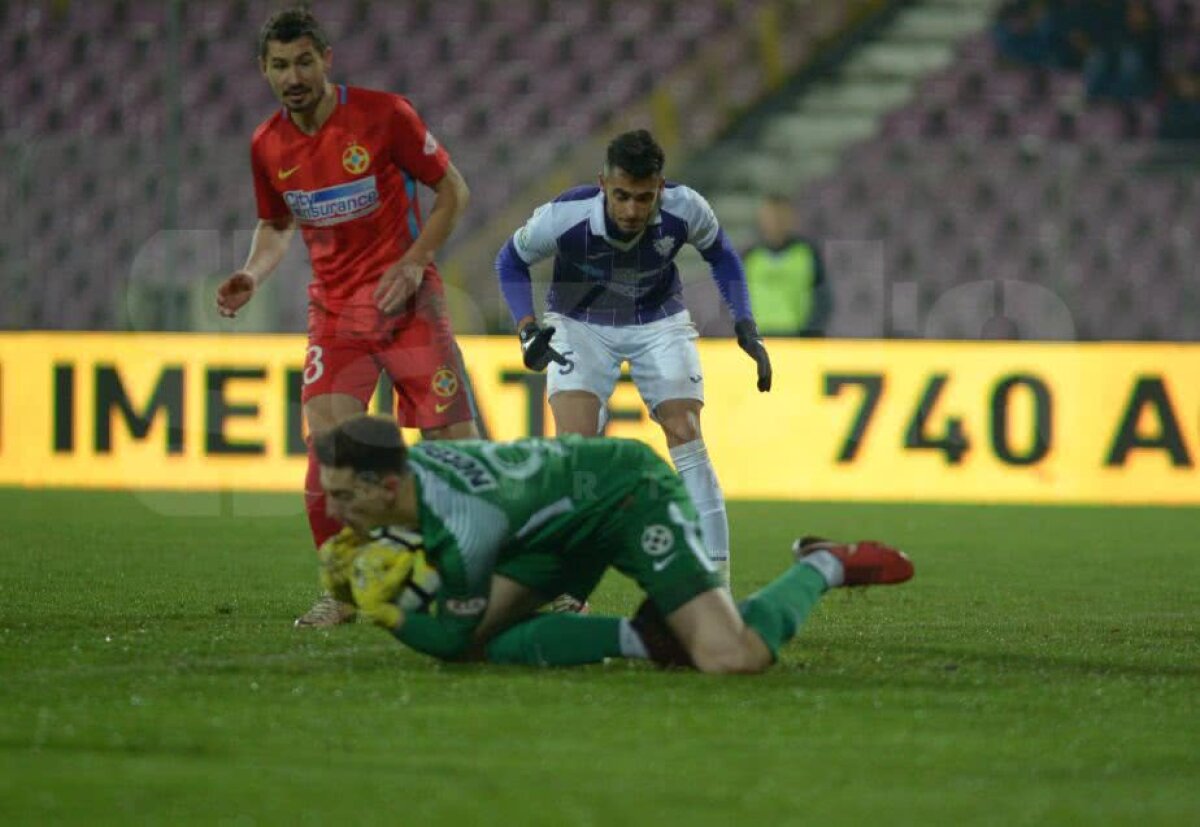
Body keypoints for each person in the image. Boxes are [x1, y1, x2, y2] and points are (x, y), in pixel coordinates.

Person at [215, 7, 478, 628]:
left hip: (408, 304)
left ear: (327, 60)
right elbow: (278, 224)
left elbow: (454, 193)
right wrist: (252, 273)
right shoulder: (267, 145)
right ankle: (343, 589)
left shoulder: (387, 115)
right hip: (335, 316)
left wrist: (415, 262)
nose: (293, 75)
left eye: (304, 60)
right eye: (280, 65)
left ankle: (477, 574)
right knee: (328, 455)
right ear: (264, 71)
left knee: (453, 451)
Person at [314, 415, 914, 673]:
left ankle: (824, 564)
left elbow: (442, 637)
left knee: (733, 659)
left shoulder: (466, 522)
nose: (335, 512)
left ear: (387, 484)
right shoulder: (415, 471)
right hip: (552, 525)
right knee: (482, 645)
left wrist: (385, 608)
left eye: (342, 497)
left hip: (627, 494)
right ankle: (647, 639)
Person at [493, 129, 772, 587]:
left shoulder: (686, 207)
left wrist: (745, 322)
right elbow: (510, 260)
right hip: (578, 323)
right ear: (602, 184)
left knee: (686, 432)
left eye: (643, 198)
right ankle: (569, 585)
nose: (631, 210)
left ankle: (716, 581)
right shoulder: (564, 216)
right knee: (576, 451)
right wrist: (526, 329)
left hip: (657, 321)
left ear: (660, 189)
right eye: (621, 196)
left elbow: (721, 254)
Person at [742, 194, 832, 337]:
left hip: (799, 339)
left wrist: (811, 333)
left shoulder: (807, 253)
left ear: (791, 219)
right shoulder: (750, 257)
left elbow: (823, 298)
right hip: (760, 339)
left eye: (781, 217)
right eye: (771, 217)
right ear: (761, 219)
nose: (776, 223)